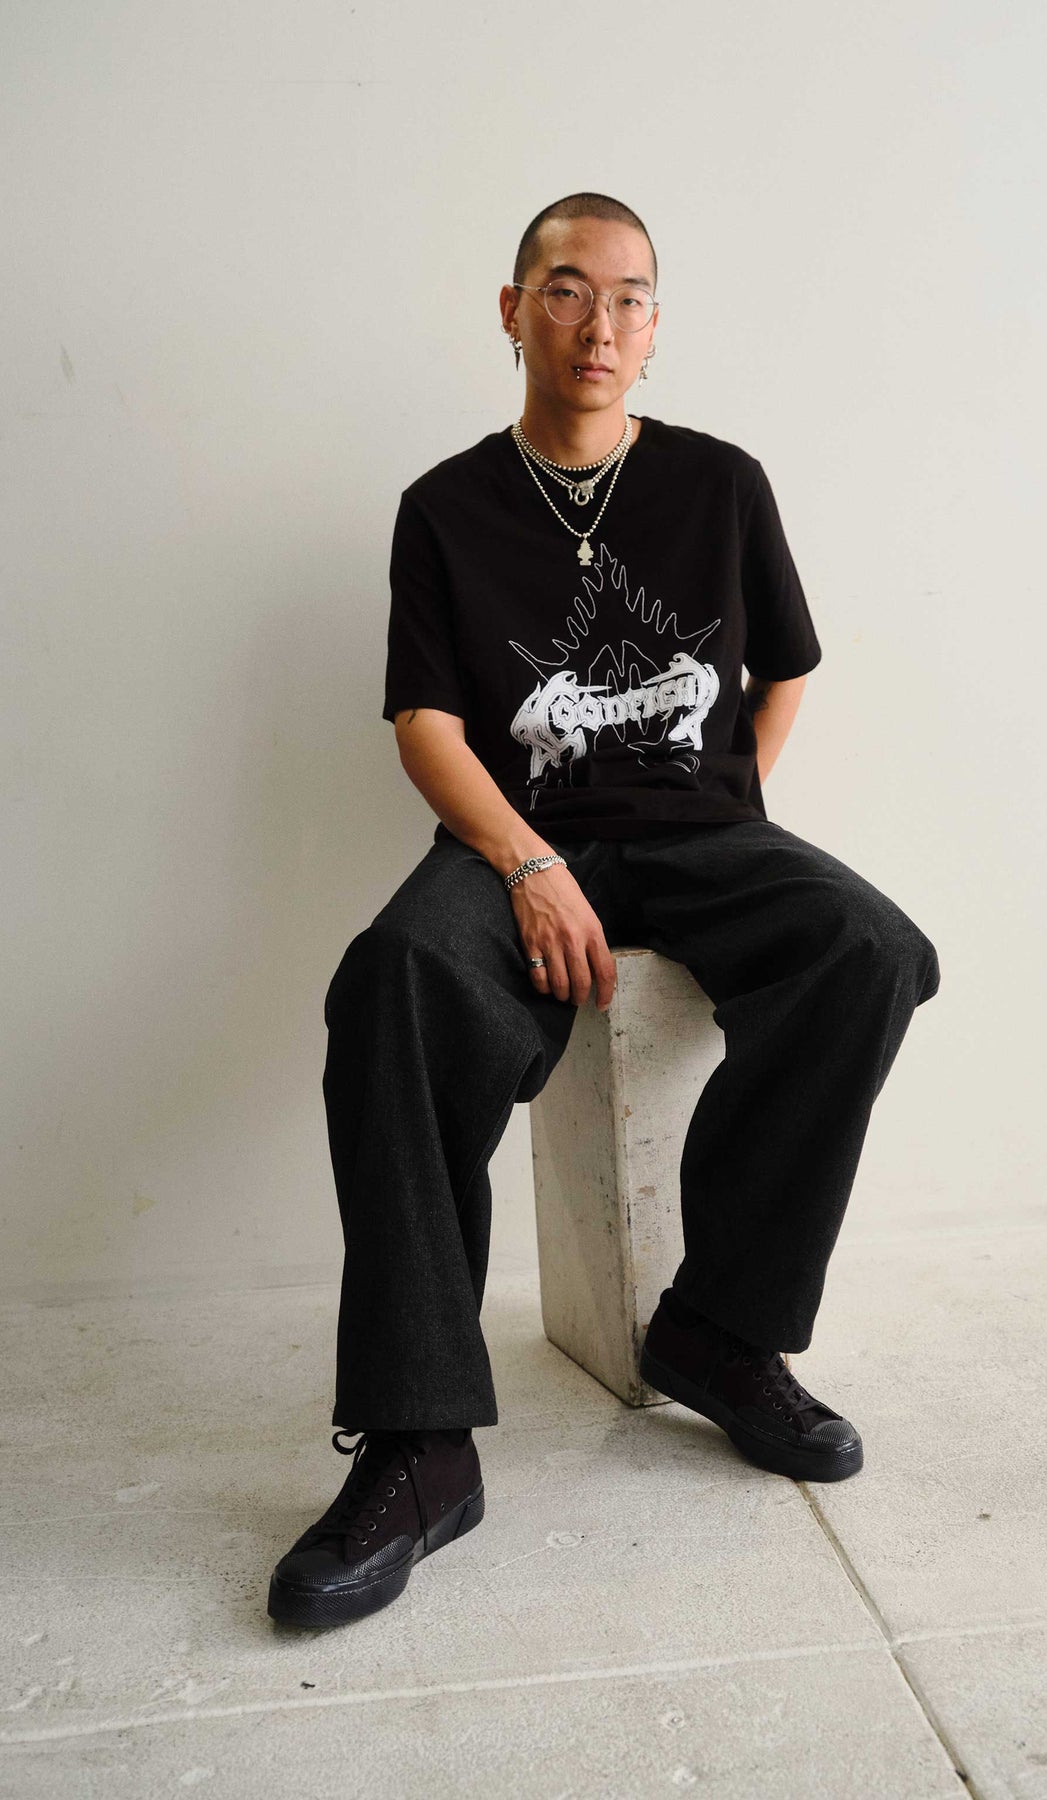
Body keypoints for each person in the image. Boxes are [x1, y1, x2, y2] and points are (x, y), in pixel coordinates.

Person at [267, 192, 941, 1628]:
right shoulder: (445, 507)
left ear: (655, 328)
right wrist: (526, 864)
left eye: (630, 296)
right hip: (514, 841)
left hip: (698, 834)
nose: (600, 322)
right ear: (514, 310)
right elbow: (427, 724)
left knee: (870, 949)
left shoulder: (721, 482)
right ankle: (418, 1443)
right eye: (569, 289)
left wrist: (729, 806)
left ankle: (723, 1332)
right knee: (393, 977)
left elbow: (785, 670)